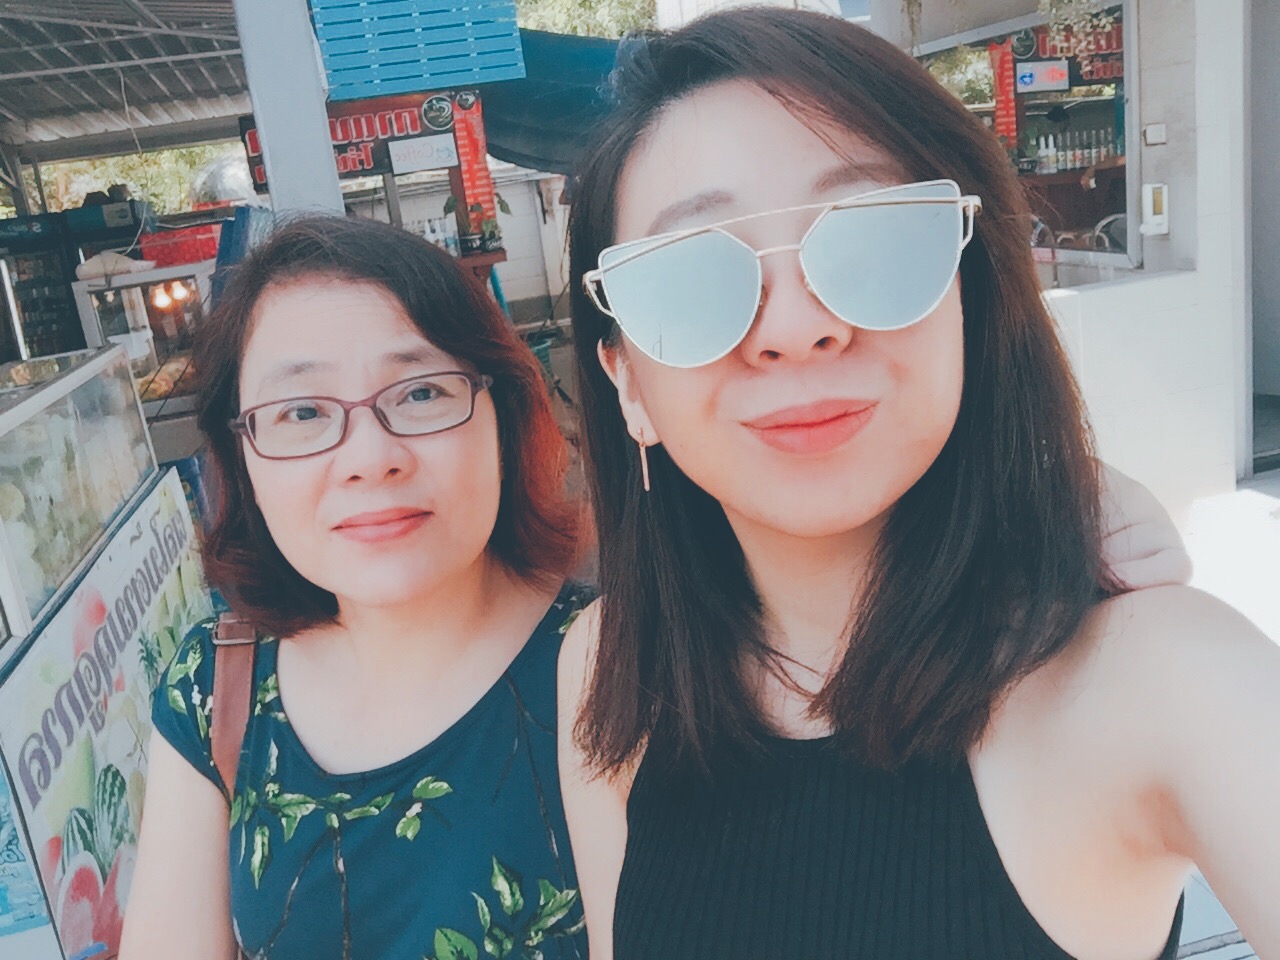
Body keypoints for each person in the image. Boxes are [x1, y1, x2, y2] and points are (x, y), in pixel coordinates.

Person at [557, 9, 1279, 960]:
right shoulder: (614, 666)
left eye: (873, 240)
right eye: (690, 276)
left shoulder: (1158, 678)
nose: (797, 327)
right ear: (627, 385)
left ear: (971, 297)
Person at [121, 216, 588, 960]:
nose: (370, 458)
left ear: (502, 415)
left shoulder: (617, 667)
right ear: (242, 459)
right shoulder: (216, 687)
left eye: (422, 392)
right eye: (302, 412)